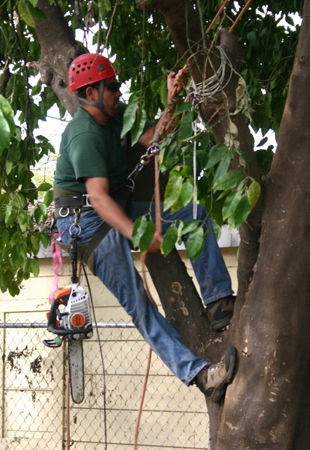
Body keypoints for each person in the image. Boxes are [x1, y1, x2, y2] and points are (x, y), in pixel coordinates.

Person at [53, 53, 237, 403]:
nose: (119, 93)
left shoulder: (117, 115)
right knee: (139, 302)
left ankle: (218, 303)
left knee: (193, 214)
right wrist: (139, 233)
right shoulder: (83, 135)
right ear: (91, 94)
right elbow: (98, 198)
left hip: (113, 207)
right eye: (112, 88)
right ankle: (200, 375)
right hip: (86, 222)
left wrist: (174, 99)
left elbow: (158, 137)